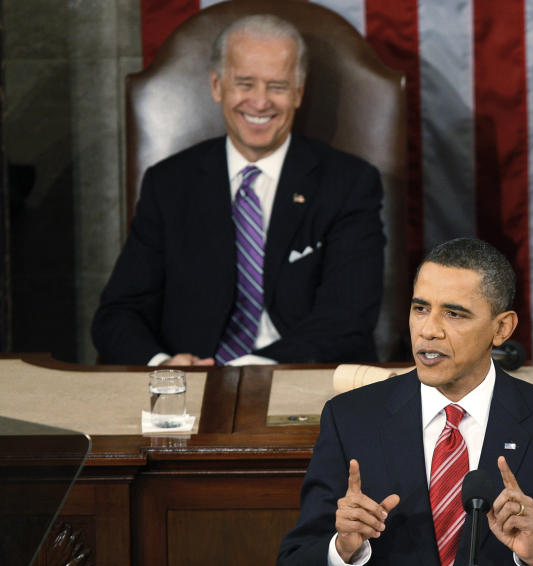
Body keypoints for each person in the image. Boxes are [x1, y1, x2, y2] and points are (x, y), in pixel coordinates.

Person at [277, 238, 533, 566]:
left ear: (502, 328)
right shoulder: (352, 419)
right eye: (420, 308)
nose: (429, 330)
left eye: (454, 314)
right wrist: (342, 549)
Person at [92, 15, 384, 366]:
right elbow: (118, 313)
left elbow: (348, 321)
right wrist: (163, 366)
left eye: (277, 86)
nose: (260, 103)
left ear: (298, 93)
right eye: (245, 84)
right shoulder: (168, 183)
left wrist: (245, 372)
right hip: (191, 385)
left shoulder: (349, 184)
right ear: (217, 86)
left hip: (299, 379)